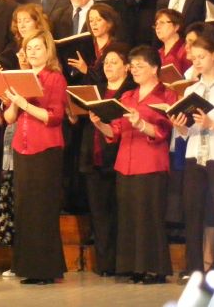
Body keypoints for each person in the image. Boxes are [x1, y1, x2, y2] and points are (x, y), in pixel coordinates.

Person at [90, 46, 176, 284]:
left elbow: (163, 131)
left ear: (154, 68)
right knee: (129, 217)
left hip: (151, 163)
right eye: (133, 66)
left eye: (140, 66)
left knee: (149, 216)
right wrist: (99, 124)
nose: (135, 70)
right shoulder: (128, 96)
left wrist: (141, 124)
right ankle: (134, 267)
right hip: (125, 164)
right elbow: (115, 131)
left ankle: (154, 268)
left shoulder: (166, 95)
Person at [168, 36, 214, 281]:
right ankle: (195, 269)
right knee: (193, 212)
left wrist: (212, 124)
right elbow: (187, 132)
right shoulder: (191, 90)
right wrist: (180, 126)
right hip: (194, 156)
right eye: (194, 58)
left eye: (201, 57)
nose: (196, 61)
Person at [1, 31, 67, 284]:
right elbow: (9, 118)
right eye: (29, 48)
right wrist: (14, 102)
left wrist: (25, 104)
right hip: (22, 146)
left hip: (46, 148)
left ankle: (46, 270)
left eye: (38, 48)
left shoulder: (55, 78)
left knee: (42, 208)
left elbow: (54, 117)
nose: (33, 52)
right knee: (25, 208)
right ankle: (28, 267)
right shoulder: (22, 77)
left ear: (48, 51)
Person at [70, 44, 135, 277]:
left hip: (118, 158)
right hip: (93, 157)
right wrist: (72, 112)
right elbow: (78, 120)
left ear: (127, 67)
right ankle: (105, 264)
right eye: (106, 62)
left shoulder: (130, 92)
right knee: (99, 215)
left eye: (114, 62)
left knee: (120, 212)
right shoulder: (96, 90)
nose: (108, 66)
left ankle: (123, 263)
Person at [67, 3, 121, 85]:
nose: (93, 24)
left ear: (109, 23)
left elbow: (110, 77)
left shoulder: (118, 48)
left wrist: (86, 70)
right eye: (91, 20)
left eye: (98, 20)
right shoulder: (85, 45)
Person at [154, 8, 191, 75]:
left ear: (176, 27)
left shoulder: (187, 50)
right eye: (156, 24)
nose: (157, 27)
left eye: (162, 23)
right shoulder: (157, 54)